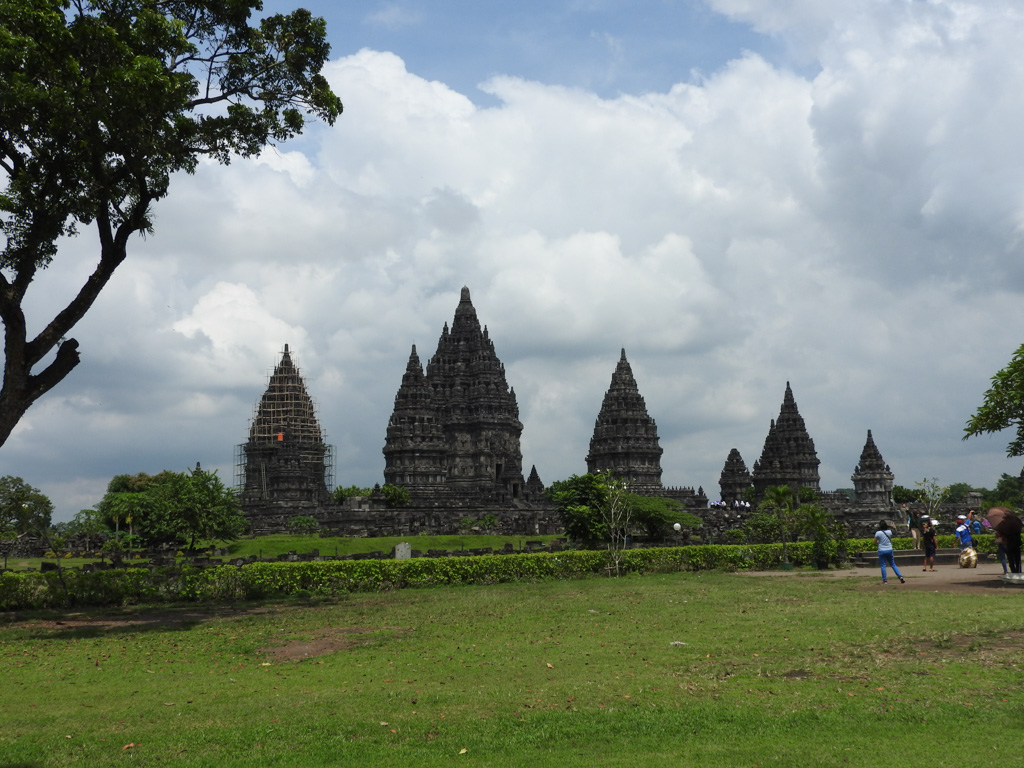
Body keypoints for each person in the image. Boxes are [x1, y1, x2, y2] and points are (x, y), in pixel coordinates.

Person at [874, 520, 905, 585]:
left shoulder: (878, 533)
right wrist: (893, 526)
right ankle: (900, 576)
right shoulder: (889, 532)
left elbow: (874, 542)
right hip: (889, 549)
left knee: (883, 565)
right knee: (893, 564)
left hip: (881, 550)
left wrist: (878, 542)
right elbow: (894, 532)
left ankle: (885, 580)